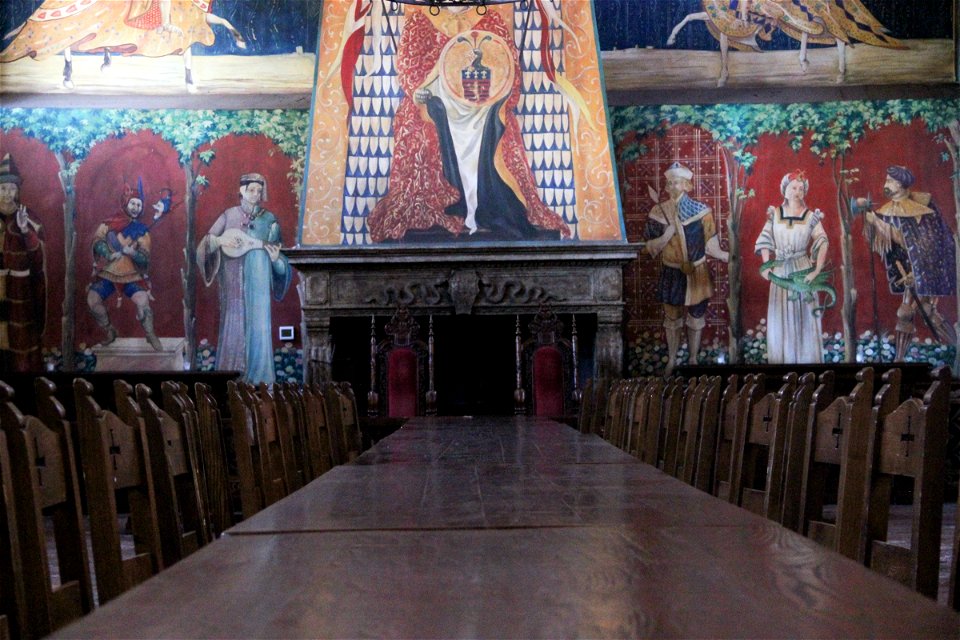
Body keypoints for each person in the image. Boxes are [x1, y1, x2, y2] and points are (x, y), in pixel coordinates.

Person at [365, 6, 569, 242]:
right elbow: (409, 70)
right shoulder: (421, 21)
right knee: (431, 117)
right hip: (436, 100)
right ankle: (454, 204)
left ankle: (490, 207)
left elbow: (507, 65)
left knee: (494, 122)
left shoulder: (490, 19)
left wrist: (493, 93)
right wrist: (421, 90)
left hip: (482, 102)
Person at [196, 173, 291, 384]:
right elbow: (205, 244)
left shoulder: (269, 220)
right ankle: (229, 379)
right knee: (233, 322)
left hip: (259, 285)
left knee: (259, 328)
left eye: (259, 190)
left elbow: (282, 260)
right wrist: (220, 241)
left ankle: (260, 381)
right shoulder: (228, 216)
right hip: (232, 282)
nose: (255, 194)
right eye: (251, 190)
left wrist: (276, 260)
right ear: (241, 191)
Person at [858, 165, 957, 360]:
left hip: (926, 267)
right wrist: (870, 222)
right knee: (906, 313)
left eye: (889, 181)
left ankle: (955, 347)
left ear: (901, 183)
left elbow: (915, 241)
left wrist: (877, 222)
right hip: (905, 268)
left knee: (927, 311)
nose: (885, 184)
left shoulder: (923, 209)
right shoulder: (886, 210)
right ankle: (899, 361)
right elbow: (879, 242)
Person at [644, 161, 729, 374]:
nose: (672, 187)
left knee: (697, 315)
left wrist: (727, 256)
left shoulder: (702, 211)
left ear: (686, 185)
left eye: (677, 183)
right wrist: (666, 235)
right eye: (669, 183)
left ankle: (693, 359)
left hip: (697, 271)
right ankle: (672, 359)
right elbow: (649, 247)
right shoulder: (658, 211)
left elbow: (710, 243)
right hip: (671, 271)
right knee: (672, 316)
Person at [755, 170, 828, 363]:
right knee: (781, 317)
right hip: (779, 272)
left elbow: (822, 241)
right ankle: (781, 363)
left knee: (804, 316)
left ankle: (807, 363)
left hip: (802, 270)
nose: (797, 191)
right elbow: (765, 240)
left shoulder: (811, 216)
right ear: (784, 190)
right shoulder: (775, 215)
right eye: (793, 187)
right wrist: (766, 267)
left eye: (801, 188)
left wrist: (817, 270)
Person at [87, 180, 162, 351]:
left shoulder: (142, 231)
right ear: (126, 203)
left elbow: (145, 258)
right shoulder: (108, 223)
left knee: (143, 302)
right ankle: (109, 331)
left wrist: (133, 253)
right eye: (133, 203)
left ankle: (150, 335)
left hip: (131, 275)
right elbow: (98, 241)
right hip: (109, 273)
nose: (135, 207)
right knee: (92, 299)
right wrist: (108, 253)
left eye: (138, 204)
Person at [0, 153, 46, 372]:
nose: (8, 194)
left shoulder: (26, 216)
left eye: (12, 188)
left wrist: (25, 230)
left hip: (20, 288)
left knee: (19, 337)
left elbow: (38, 254)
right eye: (3, 188)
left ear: (17, 190)